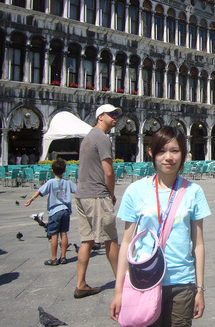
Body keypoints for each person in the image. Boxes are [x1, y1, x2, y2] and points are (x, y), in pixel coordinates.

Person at [110, 126, 211, 325]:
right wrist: (118, 290)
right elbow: (127, 243)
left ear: (183, 154)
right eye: (161, 151)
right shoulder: (135, 191)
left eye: (175, 150)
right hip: (143, 280)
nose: (168, 157)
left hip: (182, 281)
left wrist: (200, 288)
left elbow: (198, 244)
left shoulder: (194, 191)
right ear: (151, 153)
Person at [74, 104, 122, 299]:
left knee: (87, 239)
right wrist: (110, 195)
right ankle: (122, 283)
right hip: (96, 194)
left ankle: (80, 284)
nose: (115, 117)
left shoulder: (87, 137)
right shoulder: (102, 138)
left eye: (116, 114)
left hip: (81, 194)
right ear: (100, 116)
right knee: (111, 239)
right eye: (111, 114)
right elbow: (108, 171)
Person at [25, 158, 77, 265]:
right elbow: (79, 190)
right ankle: (63, 257)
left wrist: (31, 199)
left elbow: (39, 191)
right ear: (64, 171)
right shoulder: (68, 182)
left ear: (52, 171)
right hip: (65, 211)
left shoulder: (50, 182)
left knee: (54, 235)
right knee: (64, 233)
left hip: (55, 211)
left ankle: (54, 258)